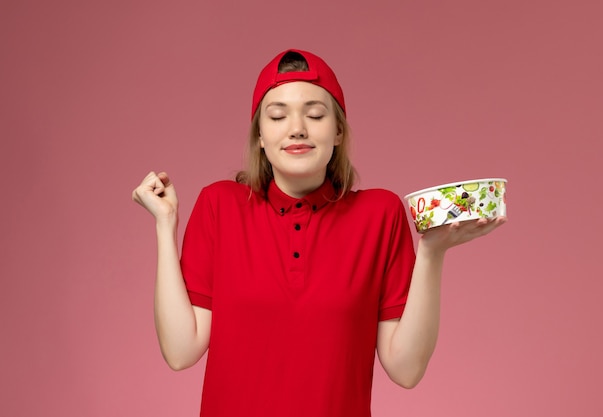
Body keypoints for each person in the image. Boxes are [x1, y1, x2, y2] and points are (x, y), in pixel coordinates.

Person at [132, 49, 506, 417]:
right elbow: (180, 352)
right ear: (260, 136)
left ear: (338, 131)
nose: (297, 128)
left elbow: (406, 370)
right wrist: (166, 227)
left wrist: (432, 254)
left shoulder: (380, 215)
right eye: (277, 116)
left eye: (315, 114)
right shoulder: (220, 206)